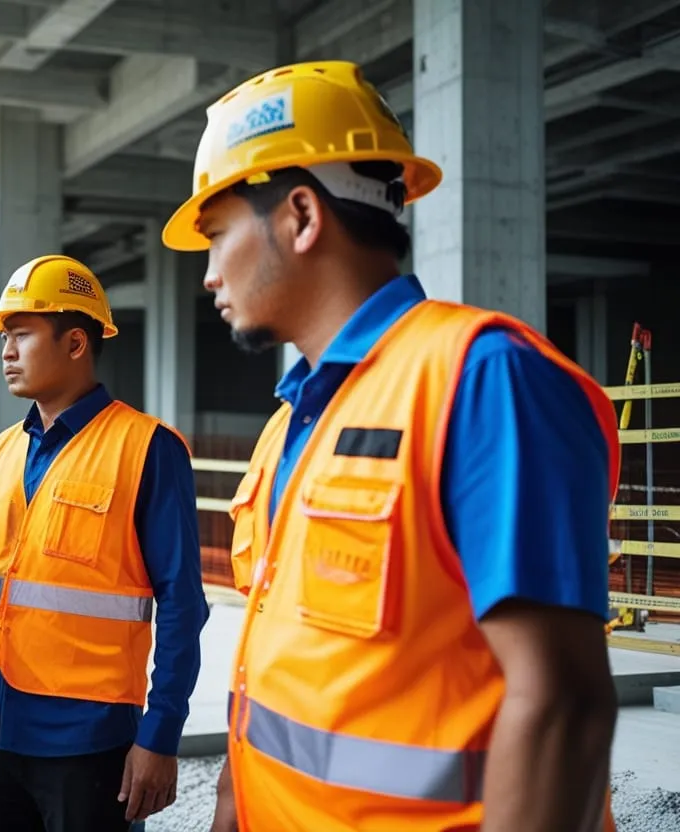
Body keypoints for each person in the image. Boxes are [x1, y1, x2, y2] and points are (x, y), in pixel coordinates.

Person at [157, 60, 620, 832]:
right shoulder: (290, 427)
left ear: (301, 216)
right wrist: (232, 808)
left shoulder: (483, 380)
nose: (207, 276)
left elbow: (564, 705)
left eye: (217, 235)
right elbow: (286, 663)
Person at [0, 255, 209, 832]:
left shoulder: (147, 448)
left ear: (76, 343)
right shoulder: (2, 452)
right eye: (4, 337)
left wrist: (160, 735)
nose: (6, 351)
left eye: (21, 334)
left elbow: (183, 606)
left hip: (91, 741)